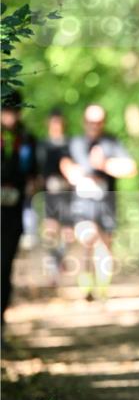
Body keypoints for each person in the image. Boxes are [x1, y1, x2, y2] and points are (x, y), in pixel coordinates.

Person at [59, 104, 137, 300]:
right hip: (82, 203)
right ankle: (86, 288)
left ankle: (102, 289)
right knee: (87, 238)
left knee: (104, 246)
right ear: (84, 122)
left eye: (99, 121)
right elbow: (64, 163)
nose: (94, 125)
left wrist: (104, 164)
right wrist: (74, 175)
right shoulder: (75, 142)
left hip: (106, 203)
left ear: (104, 122)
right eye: (91, 121)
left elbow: (130, 168)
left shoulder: (112, 143)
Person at [1, 91, 39, 332]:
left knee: (4, 267)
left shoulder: (26, 139)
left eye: (14, 110)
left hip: (13, 213)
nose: (10, 116)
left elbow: (34, 176)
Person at [36, 108, 73, 285]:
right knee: (50, 231)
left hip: (67, 194)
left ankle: (59, 260)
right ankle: (53, 269)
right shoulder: (42, 145)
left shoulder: (69, 143)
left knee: (67, 233)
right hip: (48, 194)